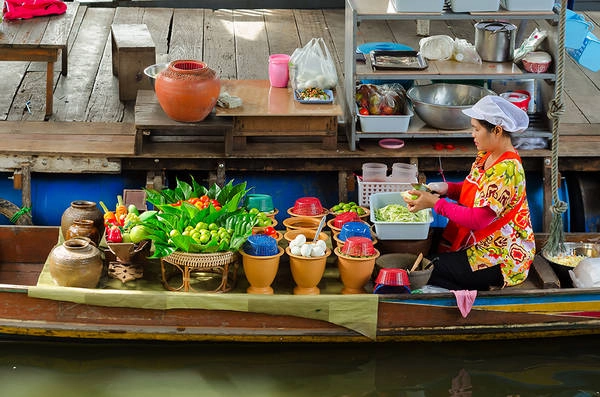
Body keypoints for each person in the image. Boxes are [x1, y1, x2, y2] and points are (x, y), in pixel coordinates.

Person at [403, 95, 536, 291]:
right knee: (431, 253)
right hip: (482, 243)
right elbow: (474, 190)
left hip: (502, 257)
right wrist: (447, 189)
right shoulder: (487, 154)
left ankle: (470, 300)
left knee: (429, 269)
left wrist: (435, 204)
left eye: (476, 129)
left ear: (497, 130)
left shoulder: (507, 169)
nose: (472, 134)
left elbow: (479, 219)